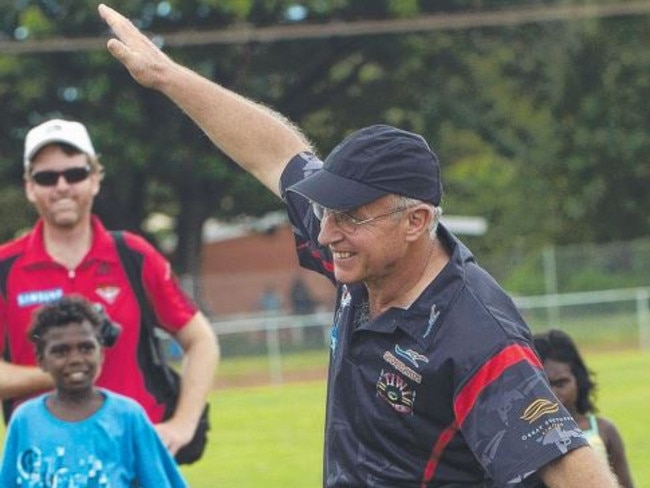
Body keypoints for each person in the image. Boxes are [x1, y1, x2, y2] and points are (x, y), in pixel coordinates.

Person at [98, 4, 620, 486]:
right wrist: (166, 76)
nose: (325, 234)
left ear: (416, 221)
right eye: (326, 212)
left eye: (349, 216)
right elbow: (274, 153)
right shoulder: (362, 251)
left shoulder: (474, 334)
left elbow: (567, 460)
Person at [0, 117, 219, 460]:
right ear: (30, 187)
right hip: (45, 460)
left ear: (95, 179)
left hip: (133, 456)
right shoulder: (5, 267)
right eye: (46, 177)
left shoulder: (132, 255)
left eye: (74, 174)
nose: (62, 186)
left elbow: (201, 340)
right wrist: (65, 370)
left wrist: (183, 424)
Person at [0, 295, 188, 487]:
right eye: (61, 351)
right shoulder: (25, 420)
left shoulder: (127, 416)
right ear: (42, 360)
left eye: (86, 348)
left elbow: (159, 481)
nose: (75, 359)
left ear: (101, 354)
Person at [533, 329, 635, 488]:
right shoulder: (528, 438)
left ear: (578, 380)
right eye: (544, 385)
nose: (552, 394)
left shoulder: (603, 430)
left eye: (561, 383)